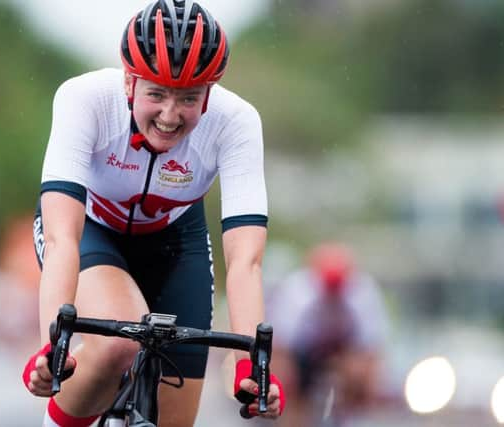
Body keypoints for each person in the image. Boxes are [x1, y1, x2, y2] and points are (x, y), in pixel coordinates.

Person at [21, 1, 285, 426]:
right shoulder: (84, 99)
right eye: (157, 94)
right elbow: (61, 239)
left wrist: (251, 368)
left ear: (209, 94)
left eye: (188, 98)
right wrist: (52, 349)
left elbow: (246, 261)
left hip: (176, 242)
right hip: (93, 229)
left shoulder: (236, 123)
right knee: (118, 342)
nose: (169, 115)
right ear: (129, 82)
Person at [267, 242, 388, 426]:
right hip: (302, 351)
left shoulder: (363, 291)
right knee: (288, 388)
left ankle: (349, 416)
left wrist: (365, 389)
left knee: (359, 374)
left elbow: (372, 349)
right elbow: (281, 348)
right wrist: (284, 387)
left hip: (343, 351)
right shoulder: (296, 291)